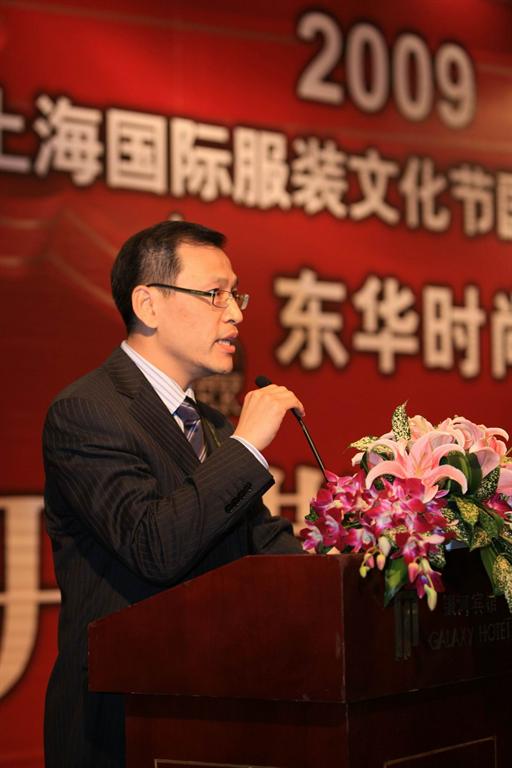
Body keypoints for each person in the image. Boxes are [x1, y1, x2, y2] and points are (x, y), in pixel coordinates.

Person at [42, 220, 305, 768]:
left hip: (211, 711)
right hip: (121, 722)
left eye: (235, 295)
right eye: (215, 294)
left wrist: (376, 548)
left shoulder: (209, 424)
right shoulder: (86, 412)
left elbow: (267, 549)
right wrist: (246, 448)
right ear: (148, 304)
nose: (236, 314)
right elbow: (153, 544)